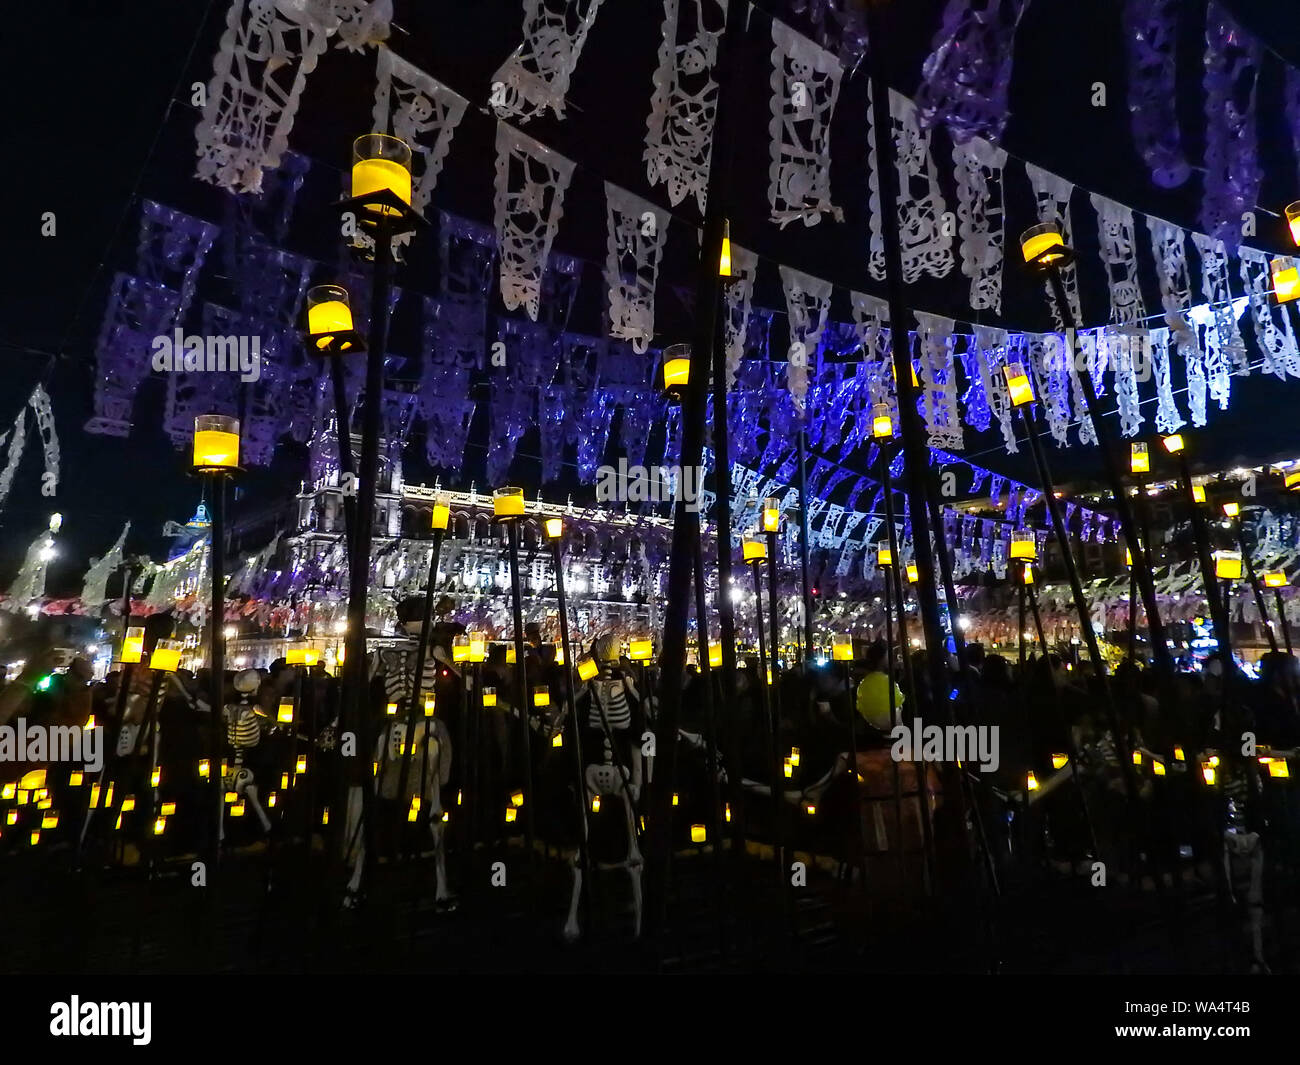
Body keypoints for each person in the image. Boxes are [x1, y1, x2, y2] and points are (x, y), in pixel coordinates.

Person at [855, 640, 904, 734]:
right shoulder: (883, 680)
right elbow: (898, 701)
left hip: (871, 724)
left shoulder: (865, 680)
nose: (892, 658)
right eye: (888, 655)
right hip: (890, 725)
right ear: (882, 658)